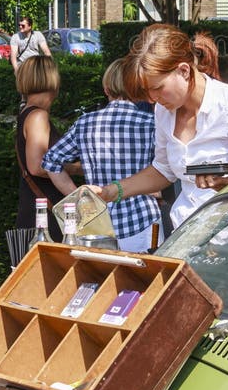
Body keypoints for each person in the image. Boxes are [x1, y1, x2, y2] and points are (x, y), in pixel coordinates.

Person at [93, 24, 228, 229]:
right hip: (185, 233)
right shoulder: (163, 110)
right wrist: (109, 192)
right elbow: (163, 169)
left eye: (157, 88)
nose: (151, 99)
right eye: (146, 91)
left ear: (184, 71)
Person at [42, 58, 161, 252]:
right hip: (142, 220)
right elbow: (169, 166)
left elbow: (50, 162)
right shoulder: (151, 123)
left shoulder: (85, 123)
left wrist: (79, 197)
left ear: (106, 89)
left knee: (98, 281)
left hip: (96, 223)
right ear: (137, 88)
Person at [15, 55, 77, 241]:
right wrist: (76, 168)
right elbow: (36, 166)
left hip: (36, 208)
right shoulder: (38, 116)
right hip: (45, 215)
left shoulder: (27, 112)